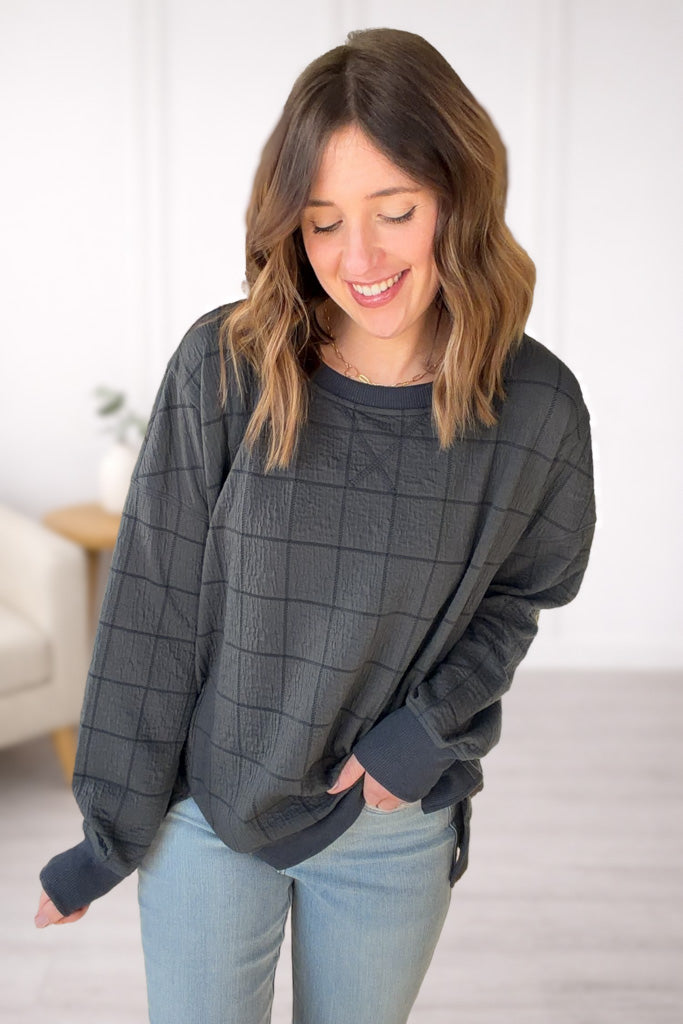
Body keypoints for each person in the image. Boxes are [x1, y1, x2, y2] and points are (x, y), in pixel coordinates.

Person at [35, 26, 596, 1024]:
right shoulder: (224, 366)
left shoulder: (535, 408)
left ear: (457, 198)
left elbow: (520, 594)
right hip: (208, 810)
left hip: (386, 829)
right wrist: (106, 833)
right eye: (322, 221)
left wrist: (418, 740)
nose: (359, 258)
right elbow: (150, 607)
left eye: (393, 211)